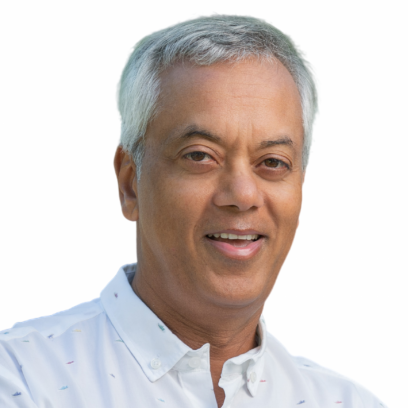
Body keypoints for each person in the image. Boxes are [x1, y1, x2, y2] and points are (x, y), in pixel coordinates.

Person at [0, 15, 386, 408]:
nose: (242, 195)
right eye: (200, 156)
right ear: (131, 183)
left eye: (272, 162)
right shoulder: (21, 380)